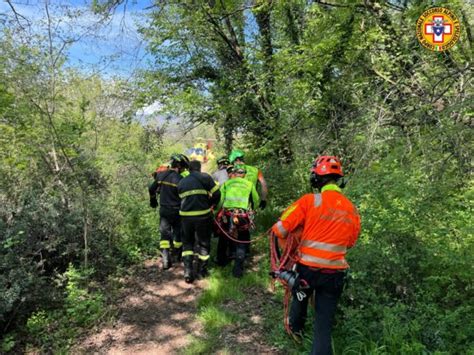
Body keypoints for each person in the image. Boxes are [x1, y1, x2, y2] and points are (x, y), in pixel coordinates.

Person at [271, 156, 361, 355]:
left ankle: (296, 329)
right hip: (334, 274)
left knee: (301, 296)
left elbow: (279, 229)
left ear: (316, 179)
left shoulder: (309, 201)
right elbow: (351, 242)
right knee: (323, 323)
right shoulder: (351, 208)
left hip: (307, 271)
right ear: (338, 181)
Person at [178, 160, 221, 283]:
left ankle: (187, 271)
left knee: (187, 244)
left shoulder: (182, 181)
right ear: (199, 168)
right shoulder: (205, 178)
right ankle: (202, 271)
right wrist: (212, 204)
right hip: (203, 216)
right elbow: (217, 193)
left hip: (186, 217)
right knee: (203, 243)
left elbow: (179, 200)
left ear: (189, 169)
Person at [215, 165, 260, 277]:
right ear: (244, 174)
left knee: (224, 236)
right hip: (242, 216)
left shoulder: (227, 183)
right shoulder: (249, 184)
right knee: (242, 240)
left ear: (233, 174)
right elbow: (256, 199)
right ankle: (238, 269)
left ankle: (221, 261)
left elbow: (220, 201)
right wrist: (253, 210)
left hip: (227, 214)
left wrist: (216, 212)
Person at [149, 154, 189, 270]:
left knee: (164, 234)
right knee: (178, 234)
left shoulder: (161, 175)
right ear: (179, 166)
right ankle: (177, 256)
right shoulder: (181, 179)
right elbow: (184, 196)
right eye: (183, 168)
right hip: (177, 211)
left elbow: (151, 188)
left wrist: (153, 200)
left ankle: (166, 260)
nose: (183, 170)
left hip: (164, 211)